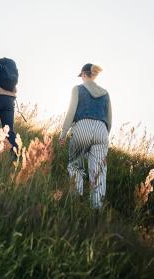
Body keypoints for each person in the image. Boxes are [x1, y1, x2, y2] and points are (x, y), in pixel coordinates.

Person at [59, 63, 112, 209]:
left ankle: (75, 204)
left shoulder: (77, 89)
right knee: (99, 172)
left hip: (82, 126)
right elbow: (109, 119)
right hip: (102, 131)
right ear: (94, 75)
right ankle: (96, 209)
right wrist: (103, 137)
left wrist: (63, 134)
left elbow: (71, 113)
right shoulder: (105, 93)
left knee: (75, 166)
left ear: (83, 74)